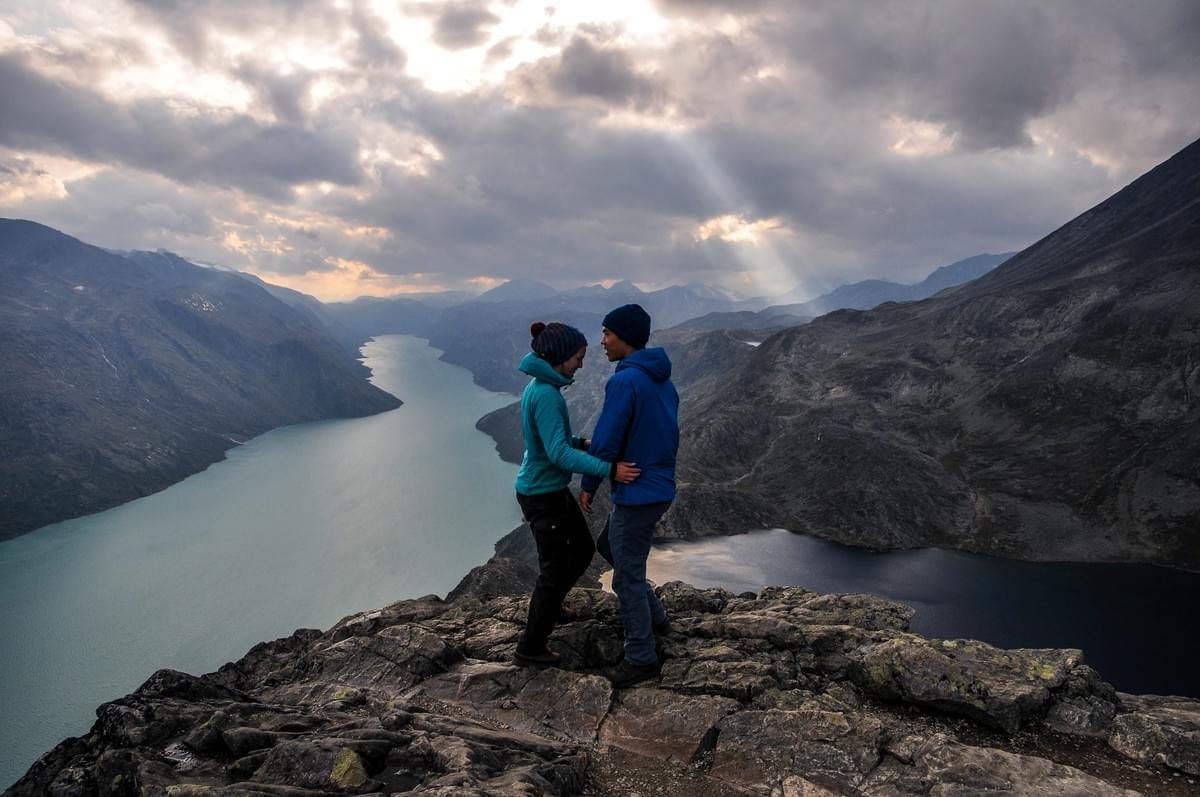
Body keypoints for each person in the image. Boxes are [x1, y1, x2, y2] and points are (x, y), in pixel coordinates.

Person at [513, 321, 641, 666]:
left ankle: (551, 607)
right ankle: (531, 648)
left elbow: (551, 442)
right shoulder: (546, 395)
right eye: (578, 357)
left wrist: (584, 443)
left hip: (546, 489)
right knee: (555, 569)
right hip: (543, 493)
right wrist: (609, 469)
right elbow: (557, 454)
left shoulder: (539, 388)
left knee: (581, 550)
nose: (581, 364)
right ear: (559, 356)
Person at [579, 303, 680, 687]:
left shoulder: (625, 382)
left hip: (638, 492)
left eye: (607, 333)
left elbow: (607, 438)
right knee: (610, 544)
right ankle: (656, 618)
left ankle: (640, 657)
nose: (602, 341)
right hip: (658, 487)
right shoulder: (661, 381)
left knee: (626, 578)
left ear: (625, 337)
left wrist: (589, 484)